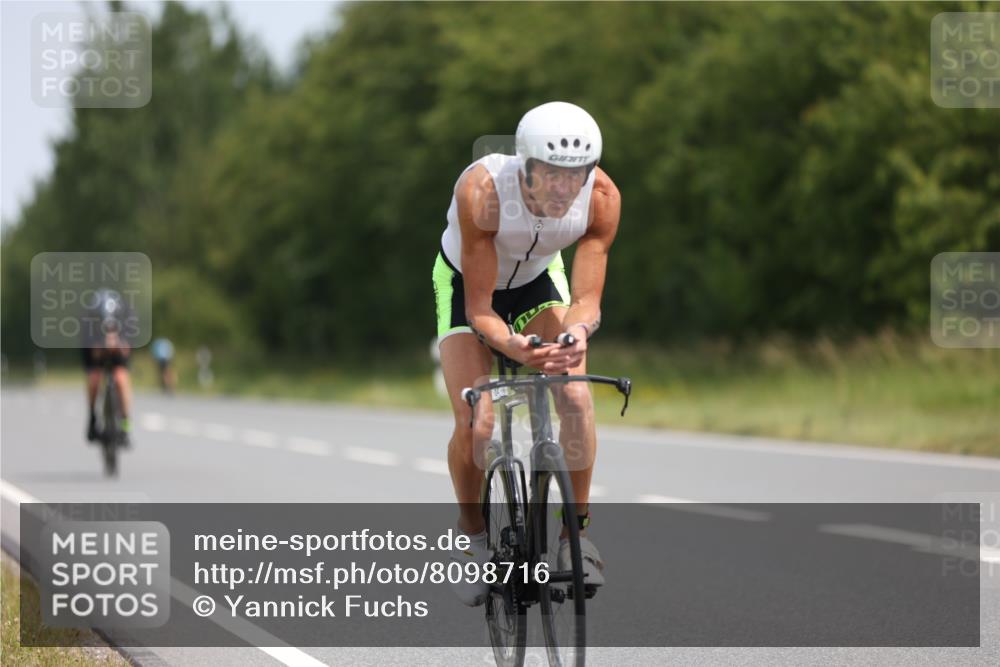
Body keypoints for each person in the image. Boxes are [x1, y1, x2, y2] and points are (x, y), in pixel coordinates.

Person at [433, 101, 621, 605]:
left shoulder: (601, 197)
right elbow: (480, 310)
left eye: (576, 175)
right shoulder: (483, 192)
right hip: (467, 288)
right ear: (527, 166)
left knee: (577, 399)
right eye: (553, 175)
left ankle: (575, 538)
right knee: (478, 422)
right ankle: (471, 536)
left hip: (538, 281)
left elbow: (586, 301)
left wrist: (577, 334)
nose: (565, 188)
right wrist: (514, 346)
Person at [82, 288, 134, 446]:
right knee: (94, 378)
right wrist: (98, 349)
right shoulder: (88, 325)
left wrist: (120, 346)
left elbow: (127, 349)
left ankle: (125, 424)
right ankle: (92, 418)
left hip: (117, 356)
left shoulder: (126, 322)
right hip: (95, 354)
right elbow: (88, 354)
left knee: (120, 379)